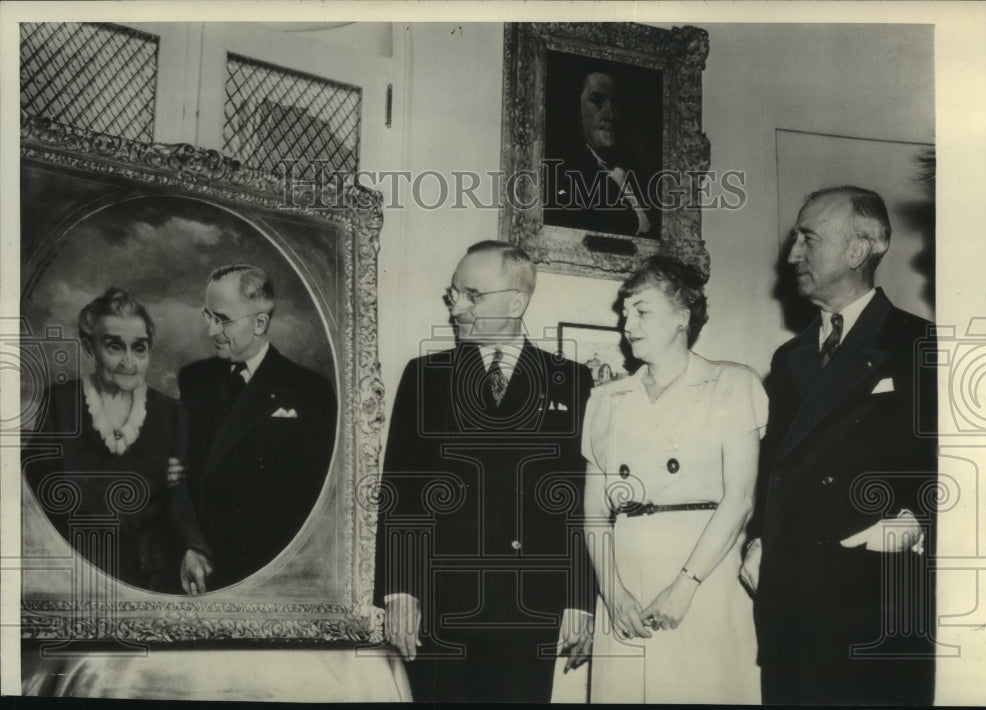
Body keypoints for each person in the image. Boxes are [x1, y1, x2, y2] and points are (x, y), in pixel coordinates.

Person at [374, 241, 596, 702]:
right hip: (440, 608)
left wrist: (579, 597)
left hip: (530, 608)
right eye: (453, 294)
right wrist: (398, 591)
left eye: (472, 295)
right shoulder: (425, 376)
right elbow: (400, 492)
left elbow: (580, 500)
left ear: (516, 302)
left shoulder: (572, 382)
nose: (456, 307)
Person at [741, 186, 937, 704]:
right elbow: (774, 464)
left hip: (873, 600)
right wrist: (758, 539)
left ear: (858, 251)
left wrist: (917, 520)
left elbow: (962, 465)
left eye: (808, 239)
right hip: (790, 605)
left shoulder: (922, 345)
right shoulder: (791, 357)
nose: (791, 256)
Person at [581, 255, 765, 703]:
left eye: (642, 311)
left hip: (703, 574)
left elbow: (739, 499)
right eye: (626, 312)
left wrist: (685, 588)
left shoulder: (732, 383)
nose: (627, 324)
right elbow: (592, 513)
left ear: (682, 318)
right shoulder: (606, 399)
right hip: (623, 578)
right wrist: (613, 594)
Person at [23, 287, 213, 595]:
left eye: (139, 349)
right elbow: (36, 494)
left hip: (147, 571)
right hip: (74, 565)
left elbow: (178, 499)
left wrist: (193, 548)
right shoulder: (61, 403)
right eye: (114, 347)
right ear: (89, 347)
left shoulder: (171, 413)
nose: (129, 361)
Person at [178, 265, 336, 590]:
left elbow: (318, 502)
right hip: (200, 566)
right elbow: (184, 477)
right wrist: (188, 546)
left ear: (260, 323)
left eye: (222, 319)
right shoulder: (194, 380)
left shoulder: (309, 391)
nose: (210, 331)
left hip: (270, 570)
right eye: (207, 316)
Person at [544, 68, 660, 238]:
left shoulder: (642, 174)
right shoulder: (563, 178)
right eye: (597, 101)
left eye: (616, 103)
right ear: (577, 108)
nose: (610, 114)